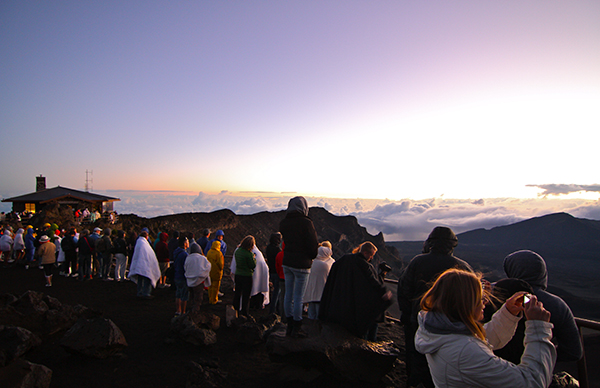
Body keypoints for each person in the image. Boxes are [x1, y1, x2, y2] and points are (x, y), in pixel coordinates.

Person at [415, 268, 556, 388]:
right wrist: (538, 327)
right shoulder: (464, 351)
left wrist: (508, 313)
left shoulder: (437, 327)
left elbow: (482, 339)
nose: (486, 301)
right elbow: (531, 382)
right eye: (481, 297)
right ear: (466, 303)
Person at [397, 226, 473, 388]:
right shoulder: (462, 267)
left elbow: (404, 289)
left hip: (418, 321)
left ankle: (415, 383)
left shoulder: (418, 261)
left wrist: (408, 314)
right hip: (452, 326)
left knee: (415, 356)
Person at [503, 250, 583, 363]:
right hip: (536, 375)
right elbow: (573, 352)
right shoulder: (557, 305)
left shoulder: (491, 296)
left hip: (491, 371)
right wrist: (542, 359)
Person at [319, 241, 392, 340]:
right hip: (354, 309)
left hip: (339, 305)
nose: (372, 258)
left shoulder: (344, 260)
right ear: (365, 253)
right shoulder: (365, 265)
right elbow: (372, 282)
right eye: (371, 255)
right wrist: (384, 292)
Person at [279, 196, 319, 337]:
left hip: (287, 262)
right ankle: (297, 326)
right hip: (302, 265)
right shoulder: (306, 223)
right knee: (298, 297)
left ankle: (289, 325)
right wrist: (311, 256)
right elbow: (313, 246)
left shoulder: (284, 223)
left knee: (288, 295)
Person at [303, 242, 335, 320]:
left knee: (311, 318)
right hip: (322, 296)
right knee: (320, 319)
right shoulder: (330, 263)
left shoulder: (312, 262)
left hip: (311, 295)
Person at [128, 230, 161, 299]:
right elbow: (148, 254)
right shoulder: (144, 243)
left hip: (139, 265)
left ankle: (139, 292)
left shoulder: (139, 242)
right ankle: (146, 293)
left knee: (140, 279)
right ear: (146, 237)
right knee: (147, 278)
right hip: (145, 265)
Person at [232, 235, 256, 317]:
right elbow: (252, 265)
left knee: (237, 293)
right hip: (247, 276)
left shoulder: (238, 251)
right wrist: (254, 258)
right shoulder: (249, 254)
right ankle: (244, 312)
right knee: (246, 295)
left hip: (238, 275)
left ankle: (235, 309)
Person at [184, 242, 212, 313]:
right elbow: (208, 266)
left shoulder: (188, 258)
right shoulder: (202, 258)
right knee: (198, 297)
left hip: (189, 281)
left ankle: (190, 310)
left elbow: (185, 267)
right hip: (199, 281)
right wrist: (203, 274)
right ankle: (195, 312)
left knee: (191, 296)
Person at [265, 232, 282, 314]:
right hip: (277, 272)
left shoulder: (268, 248)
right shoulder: (277, 249)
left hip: (271, 271)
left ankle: (276, 308)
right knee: (277, 292)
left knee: (275, 290)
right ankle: (273, 309)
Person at [173, 236, 190, 315]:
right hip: (183, 277)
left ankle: (178, 310)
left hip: (176, 275)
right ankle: (183, 312)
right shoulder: (184, 254)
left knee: (178, 294)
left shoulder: (176, 252)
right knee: (184, 295)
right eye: (187, 242)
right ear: (184, 244)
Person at [206, 240, 224, 304]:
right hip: (216, 272)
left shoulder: (209, 252)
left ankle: (210, 297)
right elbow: (220, 264)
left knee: (210, 286)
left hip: (209, 271)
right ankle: (214, 300)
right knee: (215, 287)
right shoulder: (218, 253)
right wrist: (221, 269)